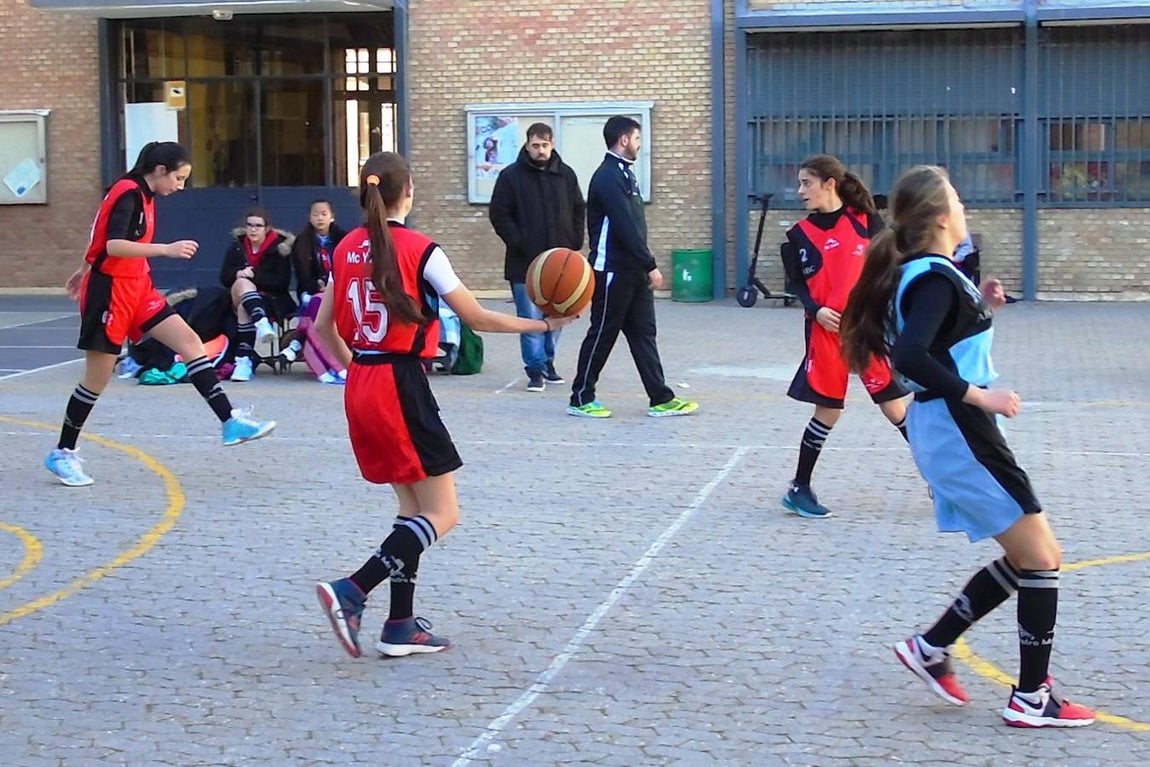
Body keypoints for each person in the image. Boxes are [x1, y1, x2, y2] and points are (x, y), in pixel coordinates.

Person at [839, 164, 1095, 728]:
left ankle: (931, 647)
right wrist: (983, 396)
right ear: (937, 217)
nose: (964, 207)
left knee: (1027, 555)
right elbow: (909, 357)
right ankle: (1031, 697)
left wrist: (981, 306)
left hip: (956, 433)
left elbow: (939, 341)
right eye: (956, 198)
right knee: (1043, 557)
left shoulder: (937, 273)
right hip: (961, 431)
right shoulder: (931, 276)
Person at [314, 151, 579, 659]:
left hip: (363, 379)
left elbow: (325, 326)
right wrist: (543, 326)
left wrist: (358, 367)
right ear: (408, 191)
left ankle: (400, 624)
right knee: (444, 511)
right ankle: (351, 589)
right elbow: (476, 317)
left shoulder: (345, 245)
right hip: (399, 383)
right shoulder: (421, 249)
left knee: (412, 509)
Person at [44, 141, 275, 487]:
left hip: (137, 286)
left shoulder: (142, 194)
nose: (180, 187)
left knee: (190, 342)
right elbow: (112, 244)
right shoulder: (128, 193)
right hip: (110, 293)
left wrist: (82, 267)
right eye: (179, 178)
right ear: (160, 170)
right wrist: (165, 249)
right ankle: (63, 452)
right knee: (97, 379)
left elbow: (98, 238)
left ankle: (230, 420)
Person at [779, 155, 909, 518]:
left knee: (894, 407)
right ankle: (799, 488)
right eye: (800, 183)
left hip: (865, 329)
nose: (800, 191)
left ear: (829, 184)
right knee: (829, 410)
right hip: (826, 331)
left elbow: (890, 267)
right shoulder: (797, 236)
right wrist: (815, 309)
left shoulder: (867, 222)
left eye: (807, 183)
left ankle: (942, 482)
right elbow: (795, 284)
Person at [567, 116, 697, 419]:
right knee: (603, 332)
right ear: (624, 140)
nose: (640, 144)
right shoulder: (607, 177)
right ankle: (581, 397)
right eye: (637, 139)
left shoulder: (625, 174)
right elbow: (624, 227)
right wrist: (650, 264)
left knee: (643, 334)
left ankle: (660, 398)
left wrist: (642, 265)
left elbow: (634, 227)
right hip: (613, 270)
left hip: (632, 271)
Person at [488, 121, 586, 392]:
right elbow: (499, 213)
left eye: (544, 145)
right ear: (527, 145)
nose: (540, 150)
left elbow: (579, 208)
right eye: (535, 146)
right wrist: (518, 241)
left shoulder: (566, 175)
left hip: (560, 264)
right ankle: (534, 370)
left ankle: (548, 362)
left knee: (557, 316)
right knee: (530, 320)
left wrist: (575, 241)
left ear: (552, 144)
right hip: (524, 264)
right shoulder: (510, 177)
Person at [218, 207, 296, 382]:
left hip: (271, 300)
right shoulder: (236, 246)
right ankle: (261, 323)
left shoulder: (280, 248)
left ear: (266, 228)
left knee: (245, 304)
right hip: (236, 296)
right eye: (250, 225)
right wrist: (238, 273)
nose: (253, 229)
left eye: (258, 226)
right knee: (241, 283)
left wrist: (254, 275)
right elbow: (224, 277)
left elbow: (281, 282)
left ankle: (244, 360)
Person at [282, 199, 348, 383]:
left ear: (332, 217)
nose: (320, 218)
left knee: (320, 307)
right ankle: (334, 365)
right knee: (316, 303)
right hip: (312, 291)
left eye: (324, 214)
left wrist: (333, 285)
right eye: (315, 214)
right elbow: (303, 275)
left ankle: (298, 340)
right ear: (309, 217)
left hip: (339, 289)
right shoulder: (301, 242)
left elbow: (347, 268)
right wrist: (318, 286)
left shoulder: (344, 239)